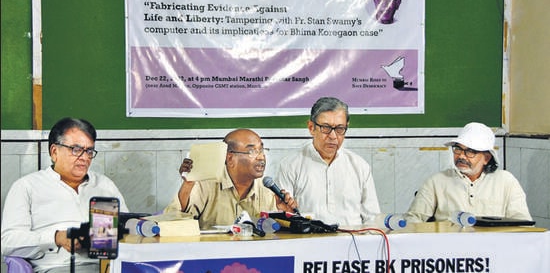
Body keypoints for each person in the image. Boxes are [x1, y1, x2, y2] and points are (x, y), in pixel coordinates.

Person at [1, 117, 129, 273]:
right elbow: (7, 243)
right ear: (54, 152)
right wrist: (55, 238)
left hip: (108, 266)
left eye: (89, 151)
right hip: (59, 267)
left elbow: (127, 230)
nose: (84, 157)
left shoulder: (104, 185)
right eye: (76, 149)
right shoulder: (27, 187)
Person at [274, 97, 381, 226]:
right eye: (326, 128)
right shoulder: (290, 165)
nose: (333, 136)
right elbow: (283, 216)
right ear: (311, 127)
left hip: (353, 243)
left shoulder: (359, 166)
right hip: (308, 243)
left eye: (340, 129)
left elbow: (373, 219)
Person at [164, 129, 298, 230]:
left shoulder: (268, 191)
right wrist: (188, 185)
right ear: (229, 158)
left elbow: (275, 238)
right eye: (252, 151)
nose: (261, 157)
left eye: (262, 150)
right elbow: (172, 220)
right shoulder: (206, 183)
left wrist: (284, 216)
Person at [405, 122, 532, 223]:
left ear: (486, 158)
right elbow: (413, 219)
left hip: (494, 249)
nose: (461, 156)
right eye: (458, 149)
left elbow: (522, 223)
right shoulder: (436, 181)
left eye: (470, 152)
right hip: (449, 250)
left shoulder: (506, 181)